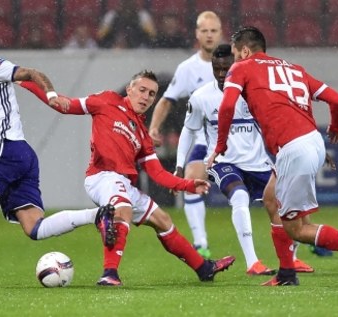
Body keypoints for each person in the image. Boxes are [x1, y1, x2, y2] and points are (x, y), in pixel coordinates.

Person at [18, 70, 235, 287]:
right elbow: (65, 105)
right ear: (130, 89)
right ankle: (109, 274)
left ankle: (203, 269)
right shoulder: (107, 100)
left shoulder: (142, 133)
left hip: (123, 184)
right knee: (123, 209)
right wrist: (29, 84)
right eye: (142, 90)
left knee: (163, 220)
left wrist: (188, 184)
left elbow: (157, 173)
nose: (146, 97)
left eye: (151, 94)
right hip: (102, 177)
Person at [207, 26, 338, 286]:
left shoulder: (243, 67)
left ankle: (288, 273)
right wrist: (335, 129)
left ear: (245, 51)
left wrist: (220, 146)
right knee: (271, 198)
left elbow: (226, 105)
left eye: (235, 55)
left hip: (294, 149)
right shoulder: (294, 69)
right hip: (311, 140)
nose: (233, 62)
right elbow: (337, 100)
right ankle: (286, 274)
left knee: (298, 229)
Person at [0, 43, 105, 288]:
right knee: (34, 228)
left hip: (5, 147)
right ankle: (97, 215)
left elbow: (31, 74)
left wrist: (50, 94)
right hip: (19, 155)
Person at [177, 44, 275, 275]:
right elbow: (188, 130)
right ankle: (253, 263)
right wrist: (180, 164)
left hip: (258, 162)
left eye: (226, 69)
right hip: (223, 162)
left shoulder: (255, 93)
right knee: (239, 196)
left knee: (286, 204)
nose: (221, 74)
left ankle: (292, 259)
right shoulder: (201, 97)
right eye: (216, 69)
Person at [149, 11, 223, 259]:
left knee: (270, 190)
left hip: (238, 139)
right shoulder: (188, 68)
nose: (209, 35)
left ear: (220, 33)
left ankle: (301, 237)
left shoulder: (236, 64)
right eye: (205, 31)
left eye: (213, 31)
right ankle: (201, 243)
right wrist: (154, 127)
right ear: (197, 34)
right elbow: (166, 100)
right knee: (192, 180)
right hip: (205, 140)